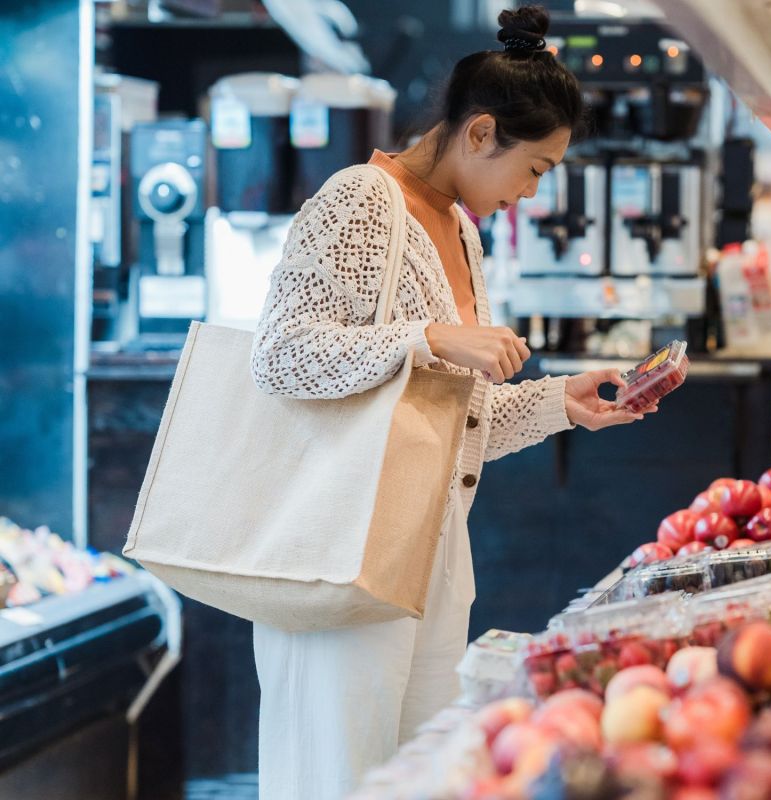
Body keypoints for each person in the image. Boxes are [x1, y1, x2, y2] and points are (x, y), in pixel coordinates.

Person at [248, 5, 657, 796]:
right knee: (336, 778)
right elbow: (282, 356)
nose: (533, 195)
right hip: (343, 558)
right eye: (534, 170)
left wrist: (559, 405)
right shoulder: (359, 200)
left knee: (422, 781)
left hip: (432, 561)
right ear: (479, 134)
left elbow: (444, 420)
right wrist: (429, 338)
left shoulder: (463, 233)